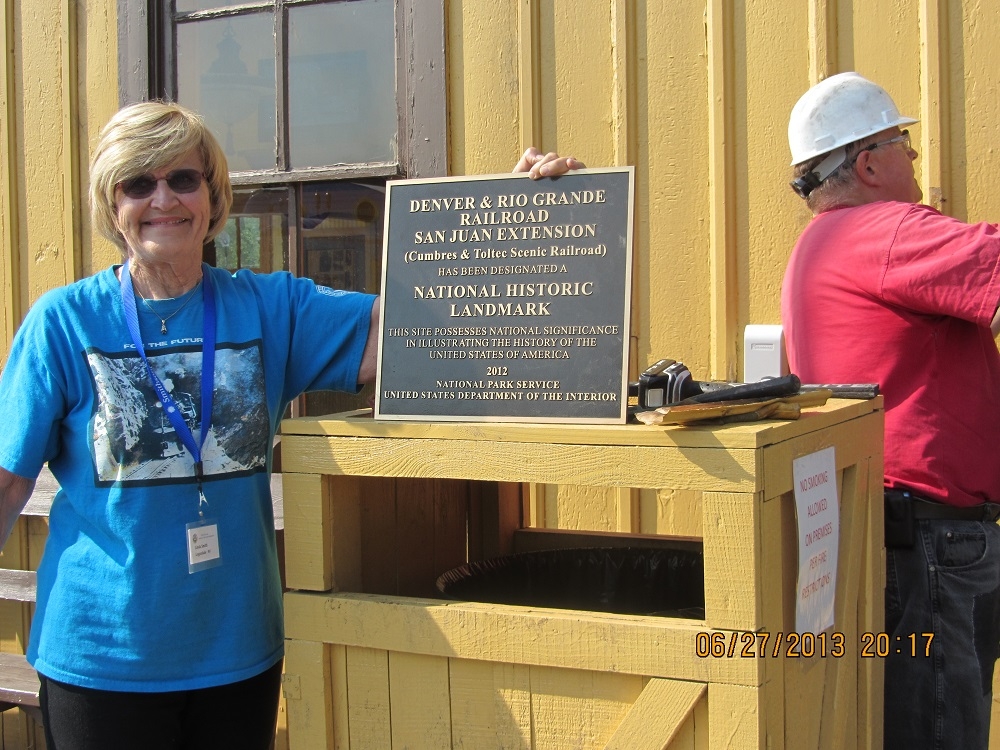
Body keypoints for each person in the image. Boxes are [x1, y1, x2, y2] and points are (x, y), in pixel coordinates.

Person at [0, 101, 577, 749]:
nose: (163, 199)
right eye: (139, 183)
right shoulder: (63, 323)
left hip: (236, 654)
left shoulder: (269, 309)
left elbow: (418, 329)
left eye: (183, 180)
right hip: (101, 659)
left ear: (211, 197)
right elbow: (7, 481)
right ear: (113, 206)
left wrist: (514, 220)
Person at [781, 71, 1000, 750]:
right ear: (869, 163)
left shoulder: (822, 246)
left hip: (903, 539)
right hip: (934, 545)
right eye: (904, 144)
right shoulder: (887, 233)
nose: (915, 160)